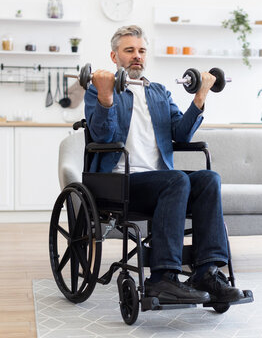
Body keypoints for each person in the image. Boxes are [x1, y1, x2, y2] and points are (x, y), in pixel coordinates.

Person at [84, 25, 244, 304]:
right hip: (119, 182)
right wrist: (106, 97)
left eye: (142, 50)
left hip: (162, 183)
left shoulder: (158, 93)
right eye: (129, 50)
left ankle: (207, 272)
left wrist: (201, 96)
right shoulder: (98, 88)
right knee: (177, 178)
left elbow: (181, 134)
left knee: (209, 179)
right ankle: (162, 278)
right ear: (114, 56)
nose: (137, 56)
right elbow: (101, 137)